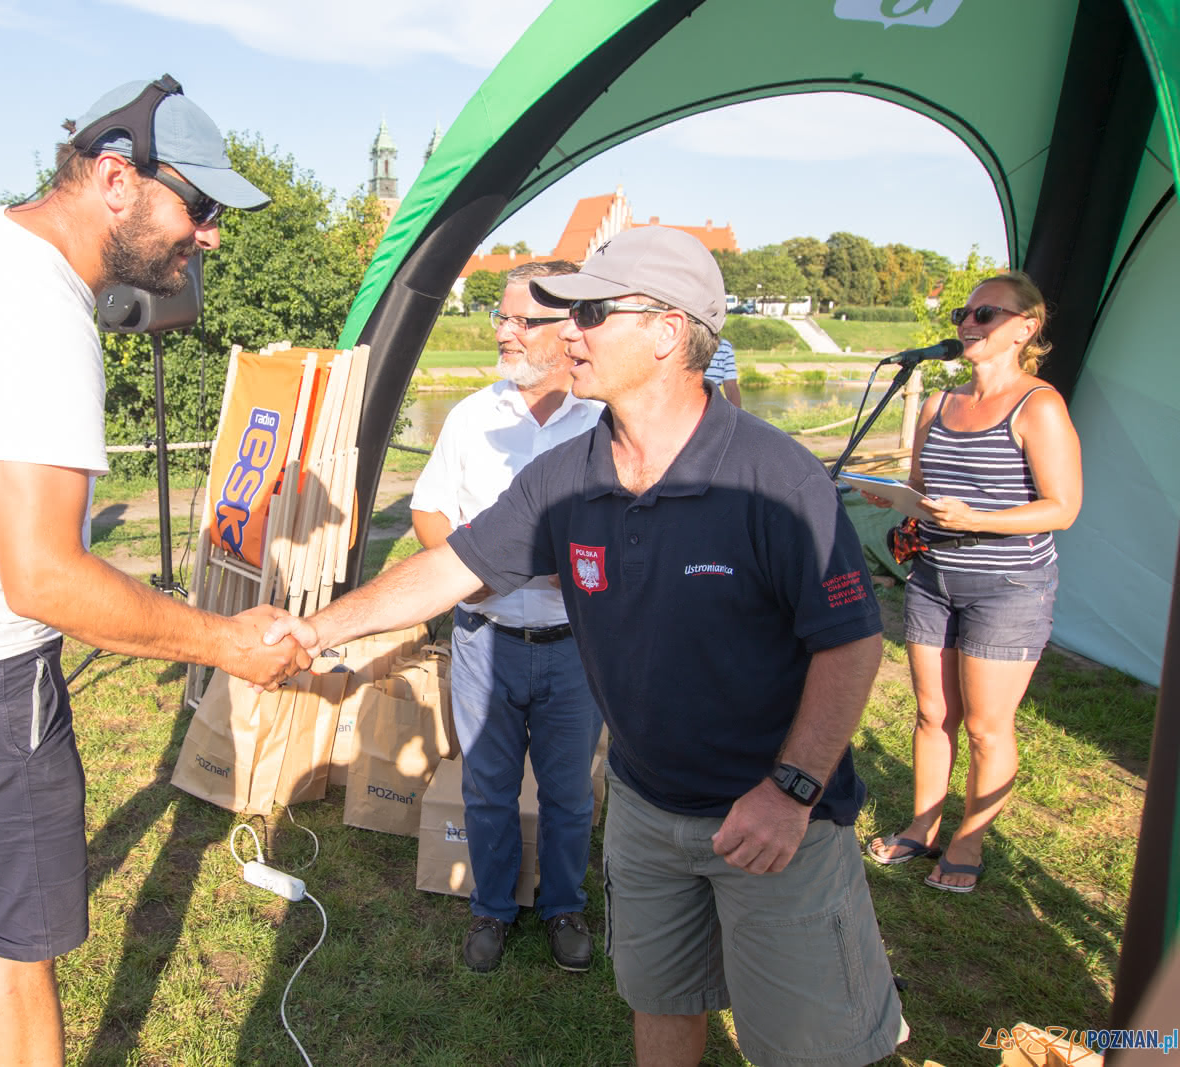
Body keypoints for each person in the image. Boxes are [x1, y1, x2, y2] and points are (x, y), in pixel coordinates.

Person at [268, 227, 904, 1067]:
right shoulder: (569, 473)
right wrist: (314, 629)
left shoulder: (775, 479)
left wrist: (789, 790)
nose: (567, 332)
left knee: (810, 1049)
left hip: (770, 819)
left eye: (591, 313)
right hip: (643, 809)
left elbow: (853, 646)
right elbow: (448, 568)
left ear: (668, 333)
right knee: (660, 1002)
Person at [0, 78, 309, 1067]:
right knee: (21, 944)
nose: (211, 236)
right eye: (200, 206)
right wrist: (226, 641)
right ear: (113, 177)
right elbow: (44, 579)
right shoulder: (41, 314)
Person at [410, 260, 604, 973]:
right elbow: (428, 509)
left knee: (568, 790)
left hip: (574, 648)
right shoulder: (470, 416)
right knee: (487, 787)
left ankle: (563, 906)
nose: (504, 331)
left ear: (569, 330)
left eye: (522, 320)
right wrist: (473, 574)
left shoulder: (603, 425)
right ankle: (491, 908)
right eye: (502, 316)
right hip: (484, 642)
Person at [861, 271, 1081, 892]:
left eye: (987, 314)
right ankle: (922, 827)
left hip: (1009, 584)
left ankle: (969, 840)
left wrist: (980, 520)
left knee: (986, 725)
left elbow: (1063, 507)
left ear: (1026, 327)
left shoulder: (1039, 405)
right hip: (934, 575)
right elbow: (926, 492)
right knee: (932, 714)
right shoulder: (938, 403)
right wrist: (900, 501)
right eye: (965, 312)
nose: (968, 323)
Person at [704, 336, 742, 408]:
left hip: (712, 409)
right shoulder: (681, 342)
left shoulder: (724, 346)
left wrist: (737, 417)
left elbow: (731, 387)